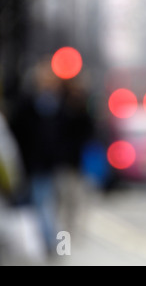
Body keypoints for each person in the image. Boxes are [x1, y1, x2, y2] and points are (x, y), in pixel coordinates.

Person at [10, 57, 93, 255]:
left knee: (56, 206)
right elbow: (19, 133)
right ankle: (49, 244)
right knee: (41, 204)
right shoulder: (27, 103)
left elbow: (81, 131)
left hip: (60, 165)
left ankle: (55, 243)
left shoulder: (67, 103)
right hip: (36, 164)